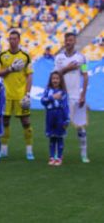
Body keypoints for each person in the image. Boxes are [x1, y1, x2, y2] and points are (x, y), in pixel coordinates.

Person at [0, 30, 34, 160]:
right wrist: (10, 69)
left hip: (20, 94)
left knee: (25, 121)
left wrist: (27, 94)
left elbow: (29, 76)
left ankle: (29, 150)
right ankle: (4, 149)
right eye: (10, 39)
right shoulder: (2, 55)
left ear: (19, 40)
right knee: (5, 121)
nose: (12, 41)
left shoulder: (25, 56)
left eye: (14, 39)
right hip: (6, 94)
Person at [54, 33, 89, 163]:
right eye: (66, 40)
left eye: (71, 40)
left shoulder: (81, 58)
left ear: (75, 42)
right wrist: (67, 68)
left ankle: (84, 154)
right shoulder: (59, 58)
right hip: (62, 97)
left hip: (76, 96)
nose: (68, 42)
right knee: (61, 126)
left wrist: (83, 95)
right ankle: (58, 154)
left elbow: (85, 75)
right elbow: (55, 75)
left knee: (80, 127)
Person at [41, 71, 69, 166]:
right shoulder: (48, 90)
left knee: (59, 137)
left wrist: (66, 119)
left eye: (57, 78)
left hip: (60, 115)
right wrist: (52, 97)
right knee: (52, 137)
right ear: (50, 80)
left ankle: (59, 157)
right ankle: (52, 157)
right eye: (53, 78)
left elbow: (65, 106)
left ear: (60, 80)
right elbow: (43, 101)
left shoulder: (63, 92)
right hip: (50, 115)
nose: (55, 80)